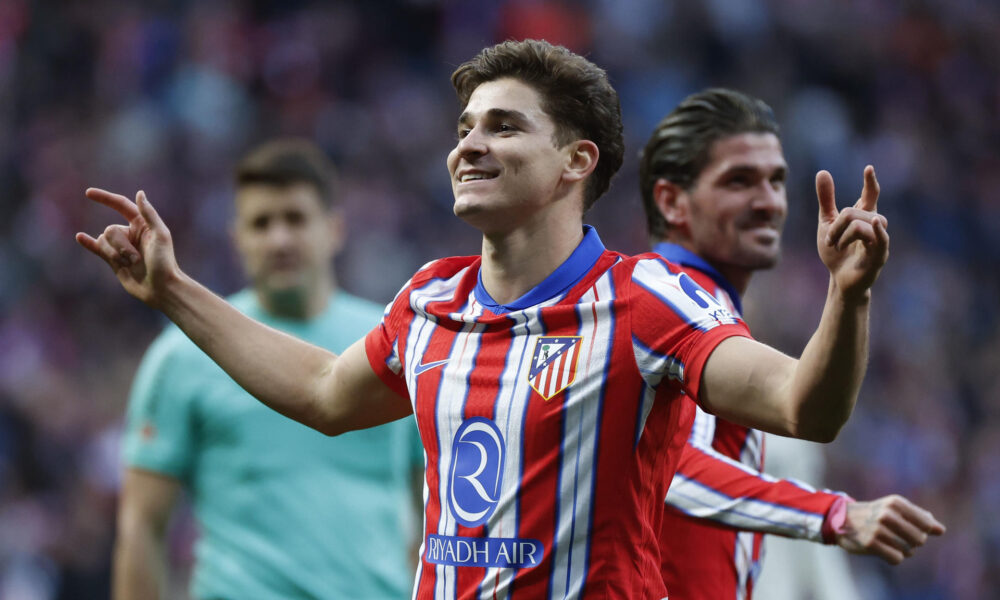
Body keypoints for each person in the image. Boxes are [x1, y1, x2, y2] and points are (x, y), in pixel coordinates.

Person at [79, 40, 890, 599]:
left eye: (503, 126)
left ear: (577, 162)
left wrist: (846, 298)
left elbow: (801, 409)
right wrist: (175, 291)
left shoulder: (647, 300)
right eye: (464, 128)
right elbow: (326, 393)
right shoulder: (432, 299)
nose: (469, 145)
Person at [638, 88, 945, 599]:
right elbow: (670, 471)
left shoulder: (702, 309)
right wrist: (833, 513)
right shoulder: (668, 309)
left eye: (776, 180)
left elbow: (815, 416)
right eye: (739, 181)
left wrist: (850, 294)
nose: (769, 201)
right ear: (671, 200)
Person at [111, 140, 423, 599]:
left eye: (295, 219)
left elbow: (433, 512)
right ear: (237, 237)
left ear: (334, 229)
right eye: (261, 223)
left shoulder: (396, 346)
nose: (280, 239)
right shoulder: (181, 355)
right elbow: (141, 527)